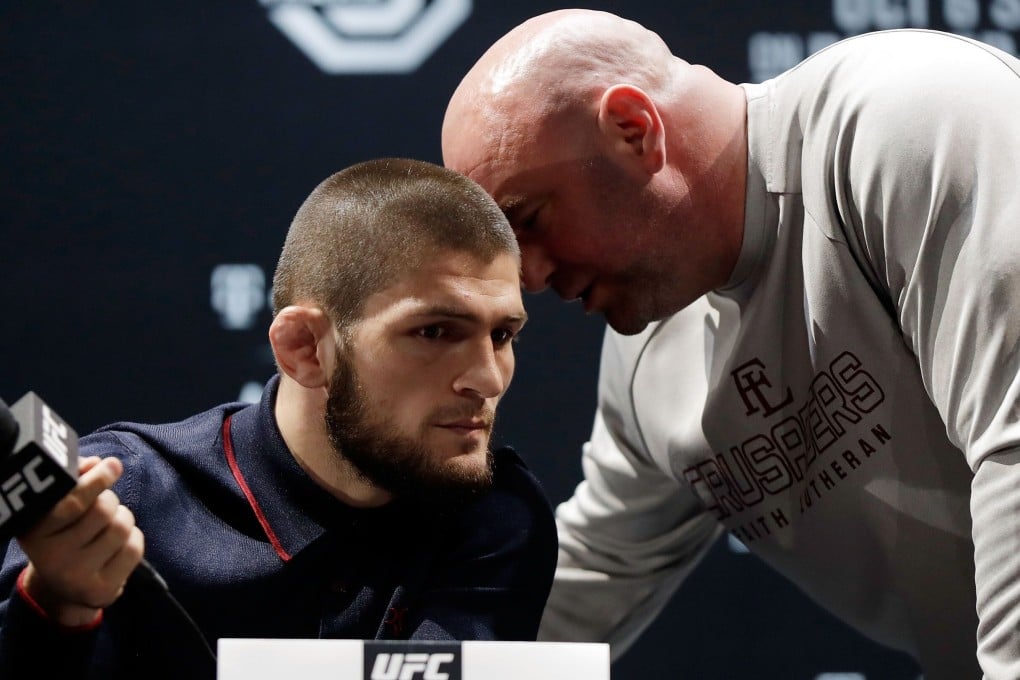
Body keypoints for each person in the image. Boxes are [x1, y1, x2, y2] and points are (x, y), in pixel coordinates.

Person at [442, 9, 1020, 680]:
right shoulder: (649, 352)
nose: (530, 279)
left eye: (531, 220)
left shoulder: (909, 117)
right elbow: (595, 574)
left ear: (633, 129)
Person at [0, 158, 557, 678]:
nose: (488, 379)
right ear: (304, 349)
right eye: (434, 332)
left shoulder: (498, 517)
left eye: (502, 335)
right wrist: (56, 606)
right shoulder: (116, 498)